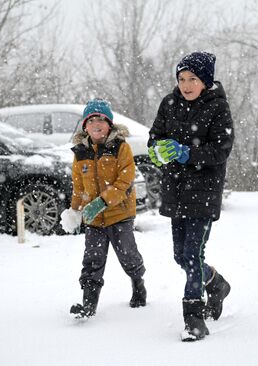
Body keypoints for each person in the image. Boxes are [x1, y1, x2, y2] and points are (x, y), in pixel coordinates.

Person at [148, 51, 234, 341]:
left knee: (192, 255)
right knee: (180, 256)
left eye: (192, 79)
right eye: (182, 78)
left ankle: (194, 317)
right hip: (175, 191)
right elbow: (155, 136)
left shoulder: (218, 107)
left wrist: (186, 152)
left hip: (204, 193)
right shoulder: (169, 103)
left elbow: (220, 150)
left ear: (205, 81)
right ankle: (216, 283)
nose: (185, 84)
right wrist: (156, 151)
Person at [66, 98, 147, 319]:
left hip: (119, 214)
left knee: (128, 255)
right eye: (91, 120)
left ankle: (138, 283)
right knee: (92, 259)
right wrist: (74, 210)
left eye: (101, 119)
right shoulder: (80, 152)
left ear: (109, 124)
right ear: (85, 126)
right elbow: (78, 185)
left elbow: (124, 181)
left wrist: (102, 202)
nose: (96, 124)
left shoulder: (121, 147)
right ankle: (88, 304)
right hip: (94, 219)